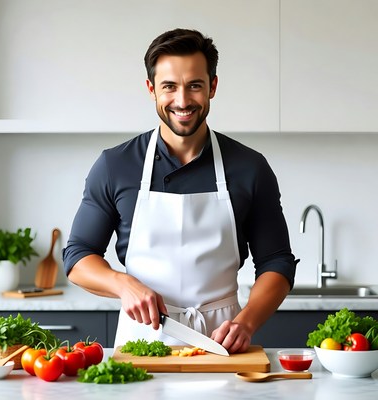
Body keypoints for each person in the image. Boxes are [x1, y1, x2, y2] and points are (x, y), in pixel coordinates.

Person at [63, 28, 298, 353]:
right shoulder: (115, 166)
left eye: (195, 86)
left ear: (213, 87)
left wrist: (247, 322)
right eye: (169, 87)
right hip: (141, 345)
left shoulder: (250, 167)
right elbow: (77, 257)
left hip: (222, 345)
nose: (183, 101)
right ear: (151, 89)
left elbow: (276, 262)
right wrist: (123, 284)